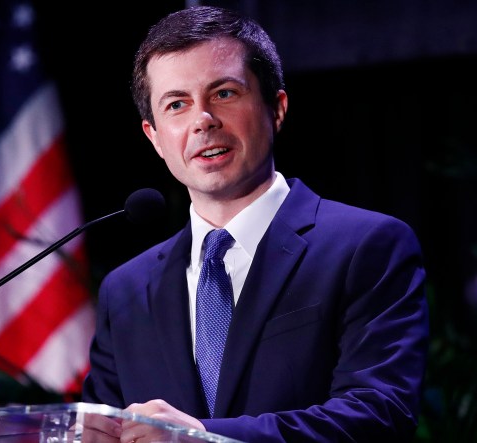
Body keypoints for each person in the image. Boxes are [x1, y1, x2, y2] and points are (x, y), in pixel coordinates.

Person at [80, 5, 429, 442]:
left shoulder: (366, 246)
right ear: (154, 136)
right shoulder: (126, 290)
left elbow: (379, 413)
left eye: (224, 93)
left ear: (276, 108)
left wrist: (204, 438)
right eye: (177, 104)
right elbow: (105, 425)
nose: (202, 120)